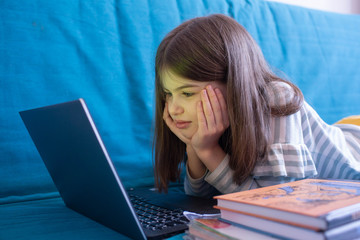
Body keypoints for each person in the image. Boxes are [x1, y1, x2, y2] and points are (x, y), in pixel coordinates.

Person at [153, 14, 360, 198]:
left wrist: (209, 151)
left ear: (234, 83)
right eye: (168, 94)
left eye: (187, 93)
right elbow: (200, 195)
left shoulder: (276, 98)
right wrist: (196, 147)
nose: (173, 109)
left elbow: (275, 200)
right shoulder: (213, 127)